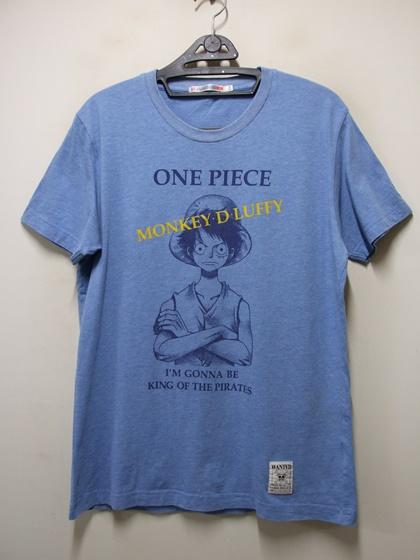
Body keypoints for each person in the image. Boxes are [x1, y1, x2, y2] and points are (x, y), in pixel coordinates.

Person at [153, 194, 253, 367]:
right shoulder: (173, 304)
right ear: (190, 251)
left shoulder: (239, 305)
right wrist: (221, 332)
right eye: (201, 248)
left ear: (231, 252)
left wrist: (185, 334)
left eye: (219, 249)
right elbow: (162, 351)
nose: (210, 256)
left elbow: (245, 356)